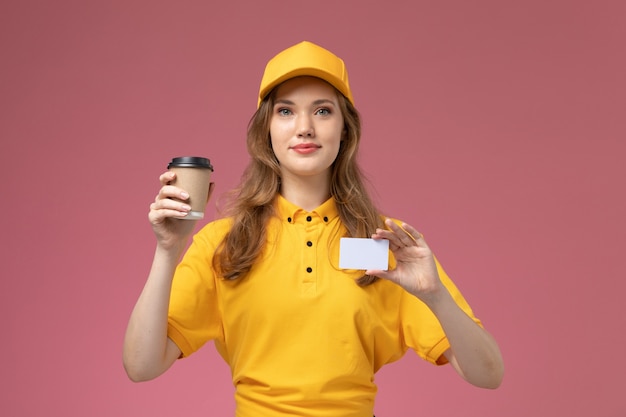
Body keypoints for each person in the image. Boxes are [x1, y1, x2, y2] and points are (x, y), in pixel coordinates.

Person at [123, 41, 504, 416]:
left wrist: (435, 296)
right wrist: (168, 250)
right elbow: (141, 366)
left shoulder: (389, 244)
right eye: (286, 112)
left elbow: (488, 374)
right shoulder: (224, 242)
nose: (304, 128)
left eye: (322, 111)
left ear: (345, 130)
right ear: (266, 131)